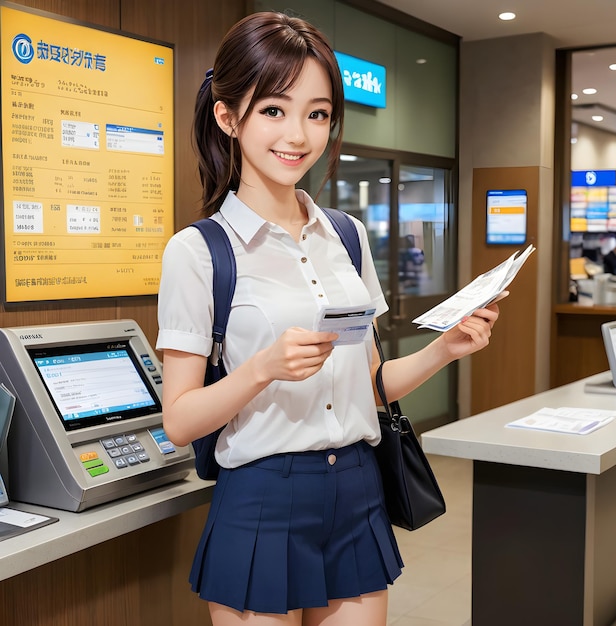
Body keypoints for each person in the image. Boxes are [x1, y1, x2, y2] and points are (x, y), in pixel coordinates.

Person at [156, 11, 501, 626]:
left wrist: (443, 350)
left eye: (317, 113)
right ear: (228, 116)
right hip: (261, 498)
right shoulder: (197, 252)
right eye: (274, 110)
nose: (299, 135)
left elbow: (369, 386)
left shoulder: (347, 236)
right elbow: (180, 422)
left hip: (358, 491)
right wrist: (262, 368)